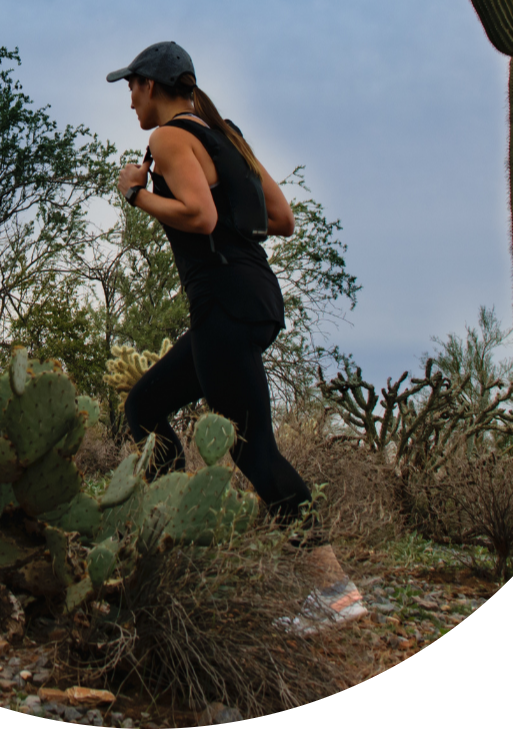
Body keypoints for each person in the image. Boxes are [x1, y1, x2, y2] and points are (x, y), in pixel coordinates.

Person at [107, 40, 365, 628]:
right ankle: (177, 534)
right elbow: (283, 218)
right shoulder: (223, 132)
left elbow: (201, 216)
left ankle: (336, 592)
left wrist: (135, 193)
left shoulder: (168, 138)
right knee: (145, 405)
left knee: (254, 449)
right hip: (252, 297)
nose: (129, 101)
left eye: (132, 87)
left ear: (152, 85)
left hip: (223, 301)